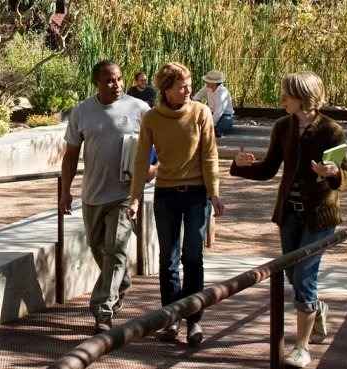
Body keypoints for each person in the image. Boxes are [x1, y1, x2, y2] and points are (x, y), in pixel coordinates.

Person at [230, 71, 347, 369]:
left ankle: (301, 346)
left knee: (304, 277)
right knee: (291, 275)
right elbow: (269, 168)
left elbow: (346, 176)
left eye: (288, 94)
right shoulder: (282, 127)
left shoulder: (331, 130)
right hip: (289, 214)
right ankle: (317, 309)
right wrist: (240, 165)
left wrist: (333, 173)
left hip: (319, 216)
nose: (282, 98)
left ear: (305, 97)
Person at [127, 62, 224, 347]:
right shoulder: (152, 118)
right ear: (166, 89)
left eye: (189, 85)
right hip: (166, 194)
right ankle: (171, 318)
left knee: (192, 255)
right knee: (168, 260)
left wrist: (214, 193)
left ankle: (194, 318)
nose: (188, 91)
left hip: (196, 194)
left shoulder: (200, 113)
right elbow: (142, 160)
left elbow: (210, 156)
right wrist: (134, 199)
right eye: (181, 86)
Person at [60, 60, 152, 333]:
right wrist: (65, 191)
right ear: (96, 82)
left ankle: (103, 310)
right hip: (92, 195)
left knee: (116, 249)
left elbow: (158, 144)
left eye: (120, 79)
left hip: (125, 194)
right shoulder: (82, 111)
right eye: (110, 80)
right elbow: (71, 155)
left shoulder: (139, 109)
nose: (118, 85)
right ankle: (121, 282)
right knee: (99, 249)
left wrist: (154, 168)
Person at [191, 69, 235, 137]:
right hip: (210, 113)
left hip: (225, 115)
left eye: (207, 81)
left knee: (225, 123)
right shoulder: (207, 88)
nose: (206, 82)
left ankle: (214, 130)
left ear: (213, 83)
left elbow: (219, 111)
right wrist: (197, 106)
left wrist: (210, 124)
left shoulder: (223, 93)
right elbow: (197, 97)